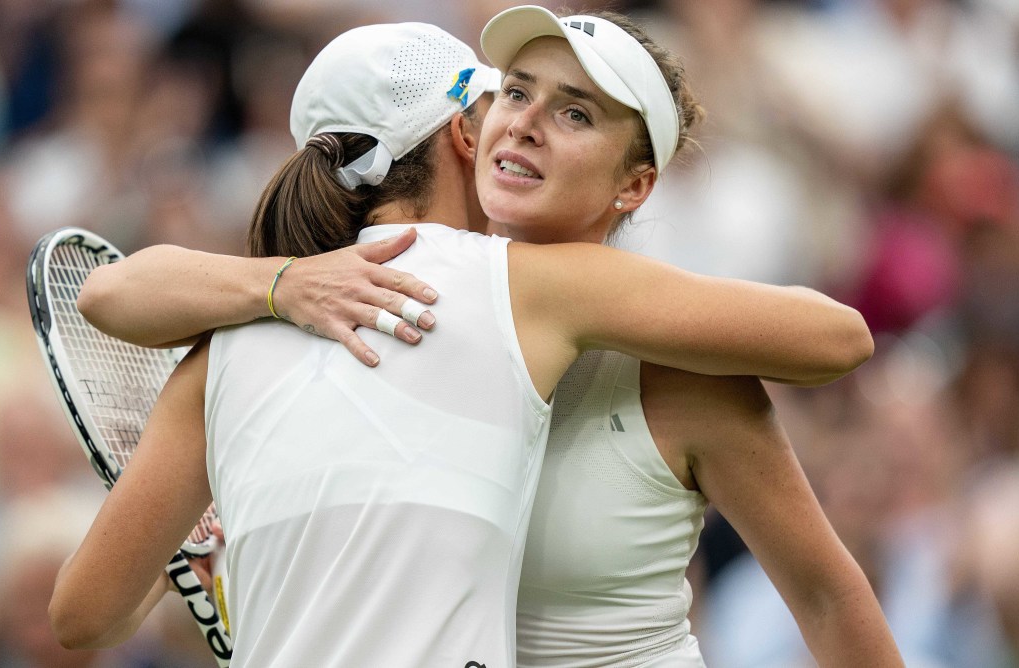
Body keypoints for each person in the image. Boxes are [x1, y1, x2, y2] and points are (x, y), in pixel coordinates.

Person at [65, 8, 902, 667]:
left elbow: (829, 582)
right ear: (469, 133)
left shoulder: (664, 362)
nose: (528, 122)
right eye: (515, 93)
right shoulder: (324, 313)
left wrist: (278, 284)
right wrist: (283, 284)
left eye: (574, 112)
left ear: (636, 186)